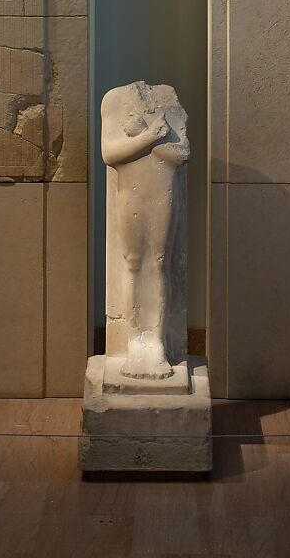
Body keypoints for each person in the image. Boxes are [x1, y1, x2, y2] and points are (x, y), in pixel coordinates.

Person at [101, 81, 188, 380]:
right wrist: (152, 137)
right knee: (133, 264)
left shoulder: (167, 98)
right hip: (132, 195)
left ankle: (155, 342)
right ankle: (134, 341)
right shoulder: (114, 99)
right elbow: (109, 154)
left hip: (161, 193)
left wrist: (150, 142)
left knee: (159, 264)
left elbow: (182, 153)